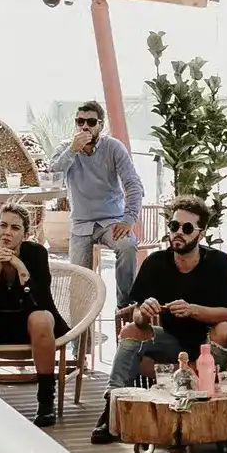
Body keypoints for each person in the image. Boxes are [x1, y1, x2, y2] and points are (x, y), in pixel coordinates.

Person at [92, 195, 227, 444]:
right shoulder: (156, 263)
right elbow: (139, 316)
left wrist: (194, 310)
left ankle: (198, 396)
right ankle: (112, 405)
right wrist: (145, 312)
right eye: (174, 226)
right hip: (172, 340)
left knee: (225, 329)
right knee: (131, 331)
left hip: (208, 343)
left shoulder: (218, 263)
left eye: (187, 228)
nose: (178, 233)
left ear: (201, 233)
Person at [0, 202, 67, 427]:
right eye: (3, 226)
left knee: (39, 318)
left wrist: (20, 268)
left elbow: (40, 301)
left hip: (35, 323)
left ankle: (46, 402)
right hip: (1, 322)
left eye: (15, 228)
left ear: (25, 234)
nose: (7, 232)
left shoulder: (36, 253)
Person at [46, 100, 144, 308]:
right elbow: (52, 178)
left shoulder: (114, 147)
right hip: (81, 224)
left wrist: (128, 219)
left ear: (100, 124)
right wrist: (73, 150)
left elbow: (133, 184)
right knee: (79, 280)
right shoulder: (65, 148)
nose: (85, 126)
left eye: (91, 122)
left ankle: (125, 306)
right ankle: (80, 327)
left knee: (128, 246)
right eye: (80, 121)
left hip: (111, 221)